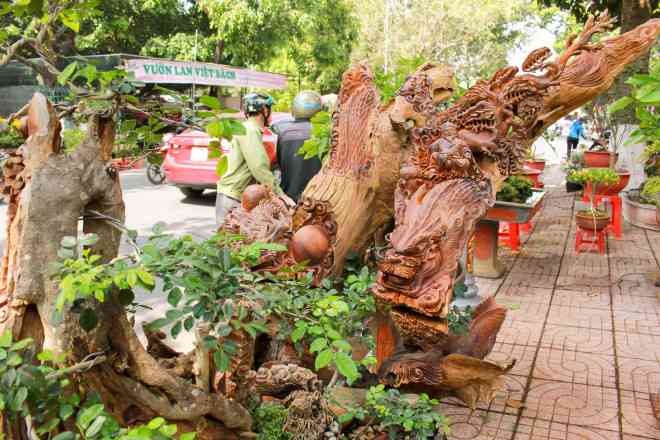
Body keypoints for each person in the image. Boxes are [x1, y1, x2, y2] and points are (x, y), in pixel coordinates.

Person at [215, 93, 287, 225]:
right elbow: (259, 167)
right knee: (230, 242)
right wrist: (280, 195)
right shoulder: (250, 131)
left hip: (230, 194)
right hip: (233, 197)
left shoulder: (246, 128)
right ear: (265, 110)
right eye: (270, 109)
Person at [272, 90, 323, 202]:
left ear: (294, 109)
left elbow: (274, 166)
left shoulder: (279, 131)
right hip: (318, 198)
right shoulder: (325, 132)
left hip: (288, 198)